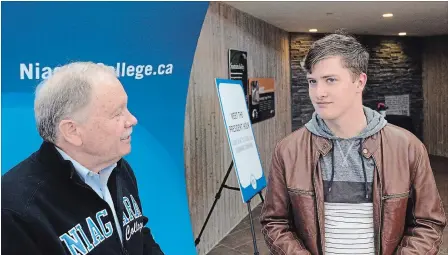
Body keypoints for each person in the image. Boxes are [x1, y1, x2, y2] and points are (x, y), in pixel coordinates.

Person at [260, 32, 446, 255]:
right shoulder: (288, 150)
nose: (318, 93)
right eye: (312, 81)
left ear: (360, 82)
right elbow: (275, 222)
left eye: (330, 80)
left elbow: (428, 223)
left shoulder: (407, 147)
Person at [2, 62, 164, 255]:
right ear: (72, 131)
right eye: (117, 113)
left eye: (126, 108)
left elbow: (137, 234)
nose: (132, 120)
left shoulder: (117, 167)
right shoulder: (15, 211)